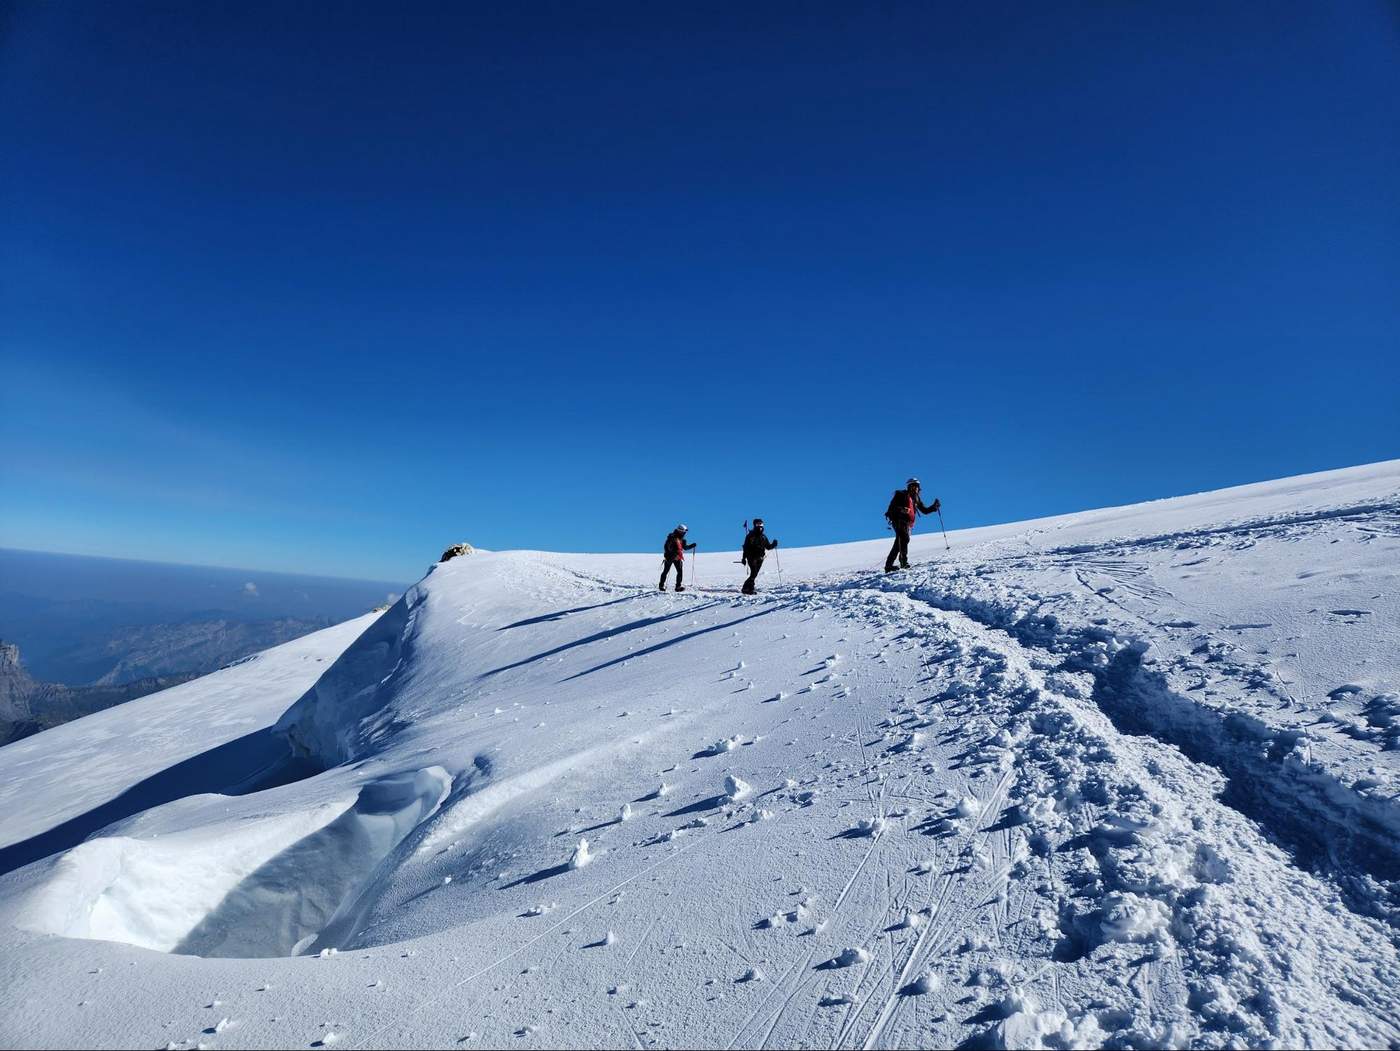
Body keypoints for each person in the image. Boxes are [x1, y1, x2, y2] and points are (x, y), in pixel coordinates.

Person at [884, 477, 940, 572]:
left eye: (917, 486)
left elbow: (925, 510)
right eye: (914, 486)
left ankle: (889, 566)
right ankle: (903, 562)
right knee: (904, 538)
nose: (916, 488)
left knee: (899, 543)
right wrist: (901, 509)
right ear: (909, 486)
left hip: (908, 523)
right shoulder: (901, 494)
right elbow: (892, 507)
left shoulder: (916, 499)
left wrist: (934, 507)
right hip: (898, 520)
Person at [740, 518, 778, 594]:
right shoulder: (750, 536)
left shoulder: (763, 537)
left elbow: (768, 547)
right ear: (754, 525)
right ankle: (748, 588)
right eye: (758, 524)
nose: (760, 526)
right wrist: (743, 558)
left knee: (755, 574)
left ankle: (747, 588)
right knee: (754, 573)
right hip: (751, 557)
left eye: (761, 524)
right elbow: (745, 547)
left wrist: (774, 544)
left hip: (760, 558)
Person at [660, 524, 697, 591]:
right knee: (666, 571)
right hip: (670, 557)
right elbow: (667, 547)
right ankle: (661, 586)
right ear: (680, 531)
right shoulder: (671, 537)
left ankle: (678, 587)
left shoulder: (682, 539)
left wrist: (692, 546)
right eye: (684, 532)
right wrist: (674, 554)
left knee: (680, 571)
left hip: (678, 557)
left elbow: (685, 547)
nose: (685, 533)